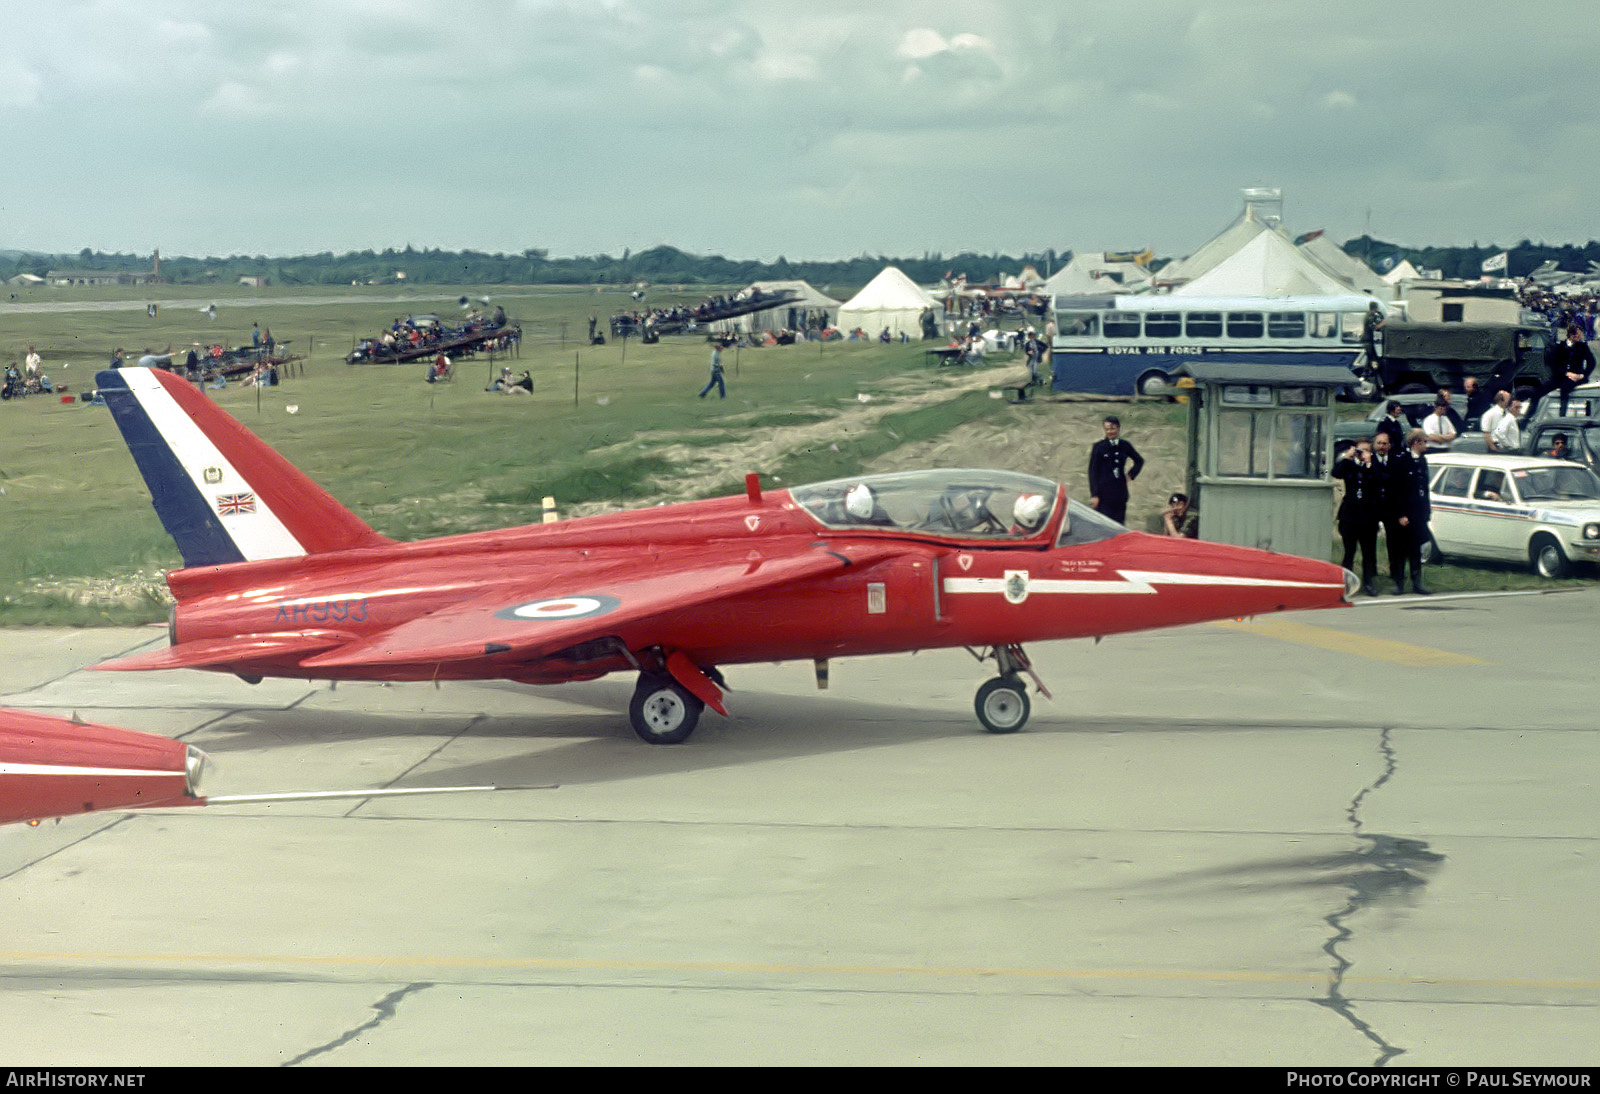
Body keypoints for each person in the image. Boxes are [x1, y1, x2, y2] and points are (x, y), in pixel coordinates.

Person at [1333, 439, 1380, 596]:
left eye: (1367, 450)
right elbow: (1336, 473)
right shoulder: (1349, 466)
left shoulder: (1373, 467)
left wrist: (1368, 463)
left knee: (1368, 551)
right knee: (1349, 551)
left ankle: (1368, 582)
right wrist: (1348, 457)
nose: (1363, 454)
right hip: (1350, 515)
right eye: (1360, 451)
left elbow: (1377, 481)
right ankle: (1346, 582)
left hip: (1368, 516)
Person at [1393, 429, 1433, 595]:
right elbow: (1398, 490)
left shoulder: (1422, 461)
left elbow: (1424, 488)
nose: (1426, 445)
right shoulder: (1403, 461)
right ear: (1416, 442)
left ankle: (1417, 582)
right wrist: (1401, 514)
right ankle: (1399, 583)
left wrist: (1426, 512)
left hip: (1418, 513)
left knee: (1415, 549)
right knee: (1401, 550)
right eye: (1424, 441)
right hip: (1406, 513)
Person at [1087, 415, 1144, 525]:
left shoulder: (1124, 445)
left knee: (1119, 524)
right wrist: (1094, 494)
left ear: (1118, 428)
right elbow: (1093, 472)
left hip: (1119, 493)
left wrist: (1130, 475)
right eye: (1107, 429)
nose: (1110, 432)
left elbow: (1139, 460)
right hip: (1103, 494)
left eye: (1112, 428)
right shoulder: (1099, 447)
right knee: (1104, 525)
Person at [1554, 324, 1595, 416]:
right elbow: (1556, 363)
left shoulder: (1582, 346)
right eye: (1579, 335)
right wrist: (1567, 373)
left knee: (1565, 387)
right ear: (1572, 336)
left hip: (1579, 377)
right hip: (1564, 375)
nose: (1581, 337)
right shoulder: (1561, 346)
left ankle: (1563, 414)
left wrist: (1583, 375)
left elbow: (1592, 362)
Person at [1361, 301, 1385, 373]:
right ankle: (1368, 373)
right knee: (1373, 358)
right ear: (1376, 308)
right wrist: (1383, 323)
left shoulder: (1368, 314)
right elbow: (1374, 327)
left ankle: (1369, 371)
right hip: (1368, 340)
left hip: (1368, 340)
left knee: (1371, 358)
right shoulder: (1371, 316)